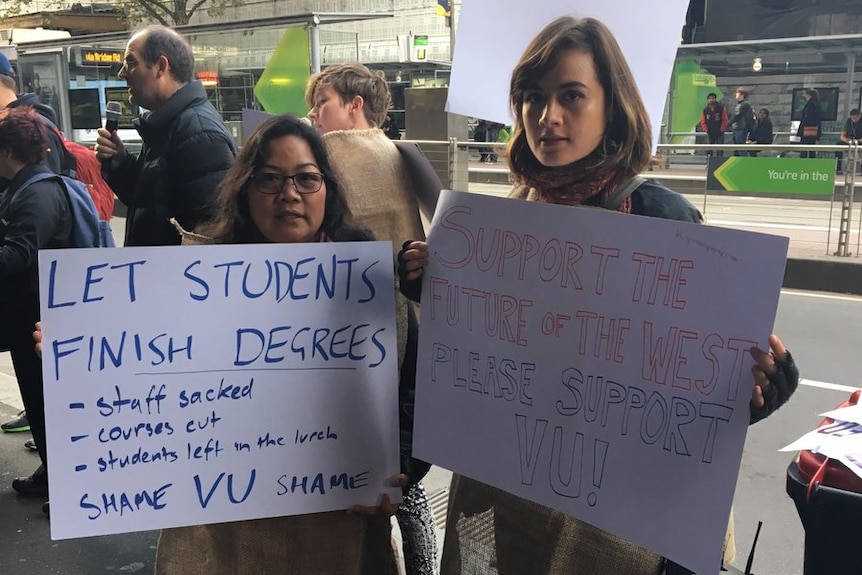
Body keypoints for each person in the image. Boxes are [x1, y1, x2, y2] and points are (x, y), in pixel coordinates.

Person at [396, 16, 799, 575]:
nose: (547, 117)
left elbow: (686, 400)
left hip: (617, 529)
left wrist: (761, 389)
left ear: (613, 105)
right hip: (505, 502)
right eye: (532, 98)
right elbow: (478, 362)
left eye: (571, 96)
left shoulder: (668, 221)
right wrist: (435, 290)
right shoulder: (500, 220)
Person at [151, 114, 423, 574]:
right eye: (270, 179)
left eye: (306, 178)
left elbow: (414, 393)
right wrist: (78, 355)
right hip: (230, 535)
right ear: (244, 188)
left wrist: (399, 468)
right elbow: (145, 377)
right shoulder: (198, 285)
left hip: (340, 528)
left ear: (327, 188)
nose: (290, 194)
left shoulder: (370, 283)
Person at [306, 61, 440, 575]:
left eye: (324, 102)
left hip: (360, 331)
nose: (314, 113)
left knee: (386, 472)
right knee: (401, 476)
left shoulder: (337, 157)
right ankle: (423, 567)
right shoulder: (404, 155)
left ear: (355, 106)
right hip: (403, 330)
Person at [95, 25, 236, 246]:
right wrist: (121, 164)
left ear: (161, 66)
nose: (122, 73)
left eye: (131, 62)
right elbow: (152, 205)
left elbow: (210, 236)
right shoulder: (166, 126)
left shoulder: (199, 135)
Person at [0, 107, 73, 515]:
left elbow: (19, 254)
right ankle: (51, 471)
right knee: (38, 399)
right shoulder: (22, 188)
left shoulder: (38, 193)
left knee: (48, 403)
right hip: (26, 317)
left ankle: (65, 483)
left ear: (10, 151)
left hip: (43, 318)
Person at [700, 92, 728, 157]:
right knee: (709, 149)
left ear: (715, 99)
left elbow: (725, 119)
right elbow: (703, 121)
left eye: (713, 98)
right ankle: (709, 163)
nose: (711, 100)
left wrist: (722, 129)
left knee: (720, 149)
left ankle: (719, 163)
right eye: (710, 98)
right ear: (707, 100)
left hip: (719, 132)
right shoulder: (705, 110)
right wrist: (706, 129)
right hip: (710, 132)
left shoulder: (721, 108)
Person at [730, 87, 755, 156]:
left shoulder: (745, 104)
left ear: (742, 95)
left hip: (741, 129)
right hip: (736, 128)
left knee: (741, 148)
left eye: (737, 93)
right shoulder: (739, 104)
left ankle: (745, 163)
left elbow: (738, 116)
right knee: (737, 149)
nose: (736, 94)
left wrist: (729, 122)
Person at [797, 88, 821, 159]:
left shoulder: (811, 104)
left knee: (804, 149)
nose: (805, 96)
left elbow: (808, 117)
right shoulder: (817, 103)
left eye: (806, 94)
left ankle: (803, 165)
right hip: (814, 131)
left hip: (807, 130)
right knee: (811, 149)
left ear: (809, 95)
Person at [836, 108, 861, 174]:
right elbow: (842, 136)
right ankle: (837, 169)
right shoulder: (848, 121)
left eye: (855, 119)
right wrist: (847, 140)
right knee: (838, 145)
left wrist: (858, 141)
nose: (854, 120)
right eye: (852, 118)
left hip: (860, 141)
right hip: (850, 141)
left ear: (859, 116)